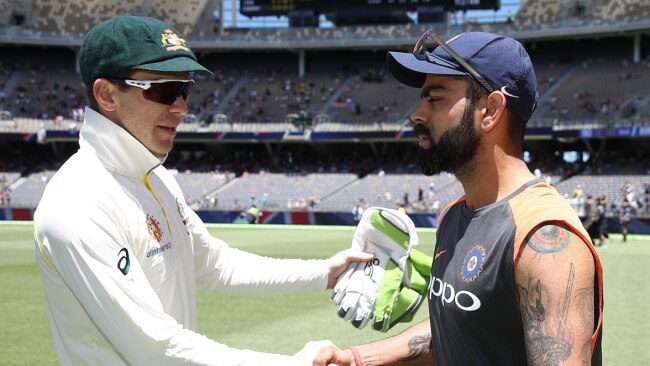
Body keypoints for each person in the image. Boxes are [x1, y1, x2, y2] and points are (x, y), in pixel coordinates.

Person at [33, 14, 371, 365]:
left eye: (185, 89)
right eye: (165, 90)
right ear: (107, 95)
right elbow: (155, 349)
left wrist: (324, 273)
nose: (182, 107)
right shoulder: (77, 203)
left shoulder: (155, 176)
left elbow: (215, 264)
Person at [314, 31, 603, 365]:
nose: (417, 114)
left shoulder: (544, 238)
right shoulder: (454, 215)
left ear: (491, 110)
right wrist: (354, 359)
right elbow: (461, 332)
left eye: (435, 99)